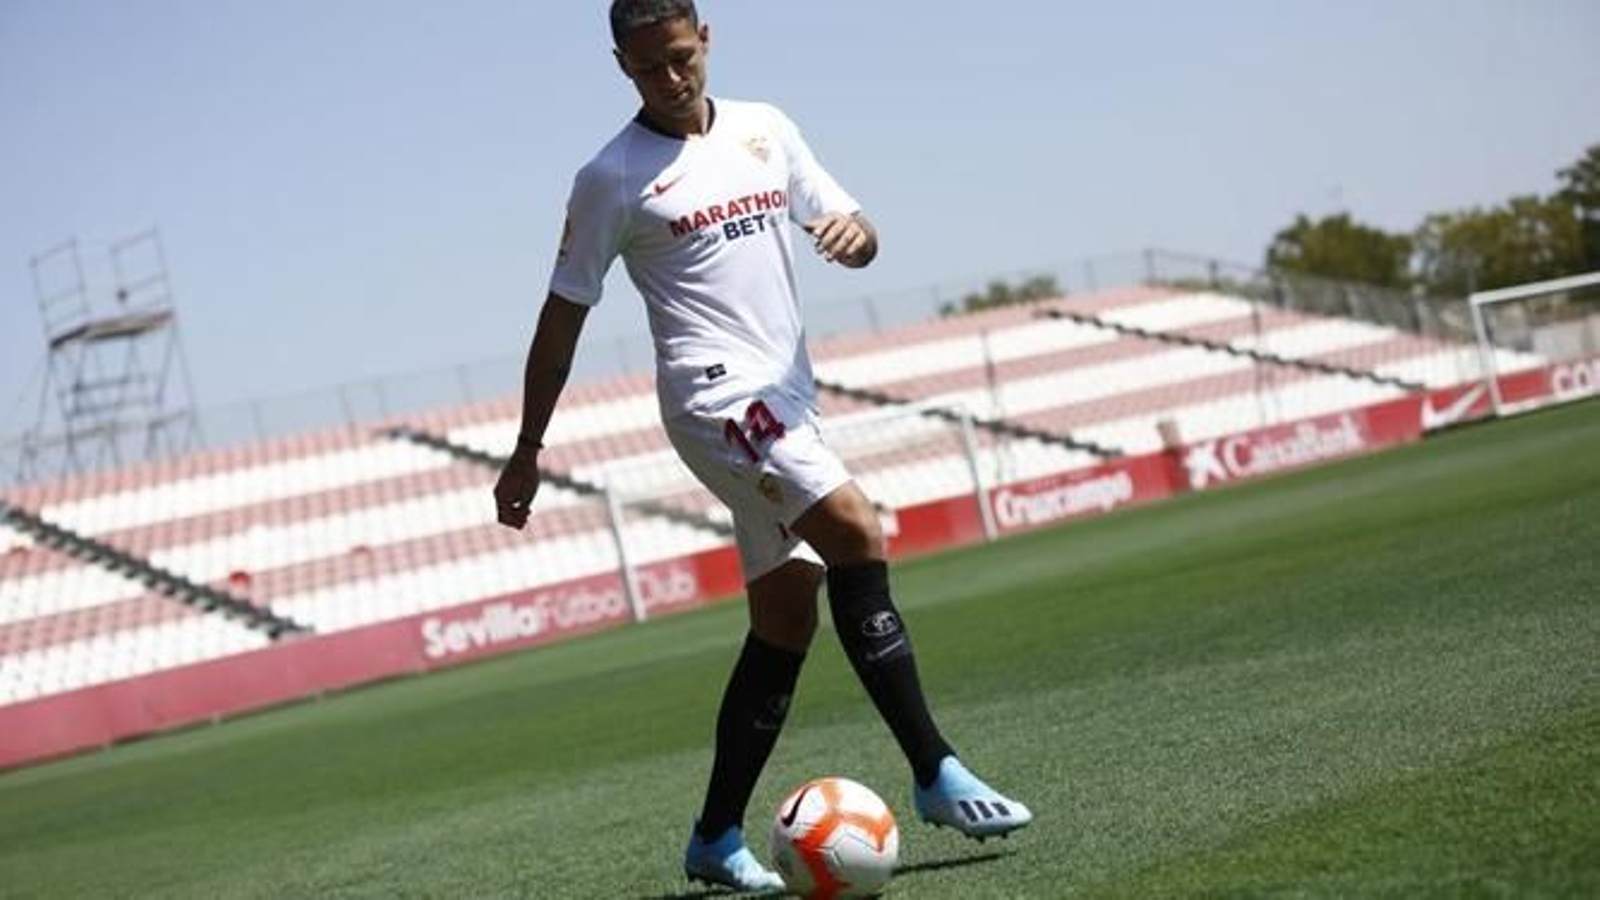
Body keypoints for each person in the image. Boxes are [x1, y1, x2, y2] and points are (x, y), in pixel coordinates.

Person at [493, 1, 1032, 892]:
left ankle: (713, 838)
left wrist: (858, 239)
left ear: (705, 39)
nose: (670, 79)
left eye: (680, 57)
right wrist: (527, 448)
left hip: (789, 398)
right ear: (621, 66)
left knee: (786, 618)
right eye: (648, 67)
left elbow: (853, 228)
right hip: (714, 398)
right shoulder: (609, 178)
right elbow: (562, 318)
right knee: (855, 529)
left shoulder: (766, 129)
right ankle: (935, 770)